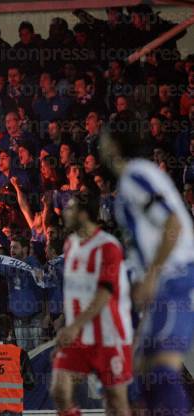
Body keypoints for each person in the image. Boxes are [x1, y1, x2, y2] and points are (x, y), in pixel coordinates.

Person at [99, 123, 194, 416]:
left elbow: (173, 224)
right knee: (143, 371)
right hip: (165, 280)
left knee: (160, 367)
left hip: (174, 277)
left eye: (104, 140)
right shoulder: (135, 178)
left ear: (114, 145)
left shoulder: (134, 176)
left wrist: (152, 275)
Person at [50, 193, 132, 416]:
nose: (65, 213)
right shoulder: (70, 245)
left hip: (109, 334)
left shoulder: (108, 246)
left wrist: (74, 326)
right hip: (78, 334)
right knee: (60, 391)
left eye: (70, 209)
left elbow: (104, 293)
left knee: (115, 401)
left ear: (84, 214)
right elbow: (74, 294)